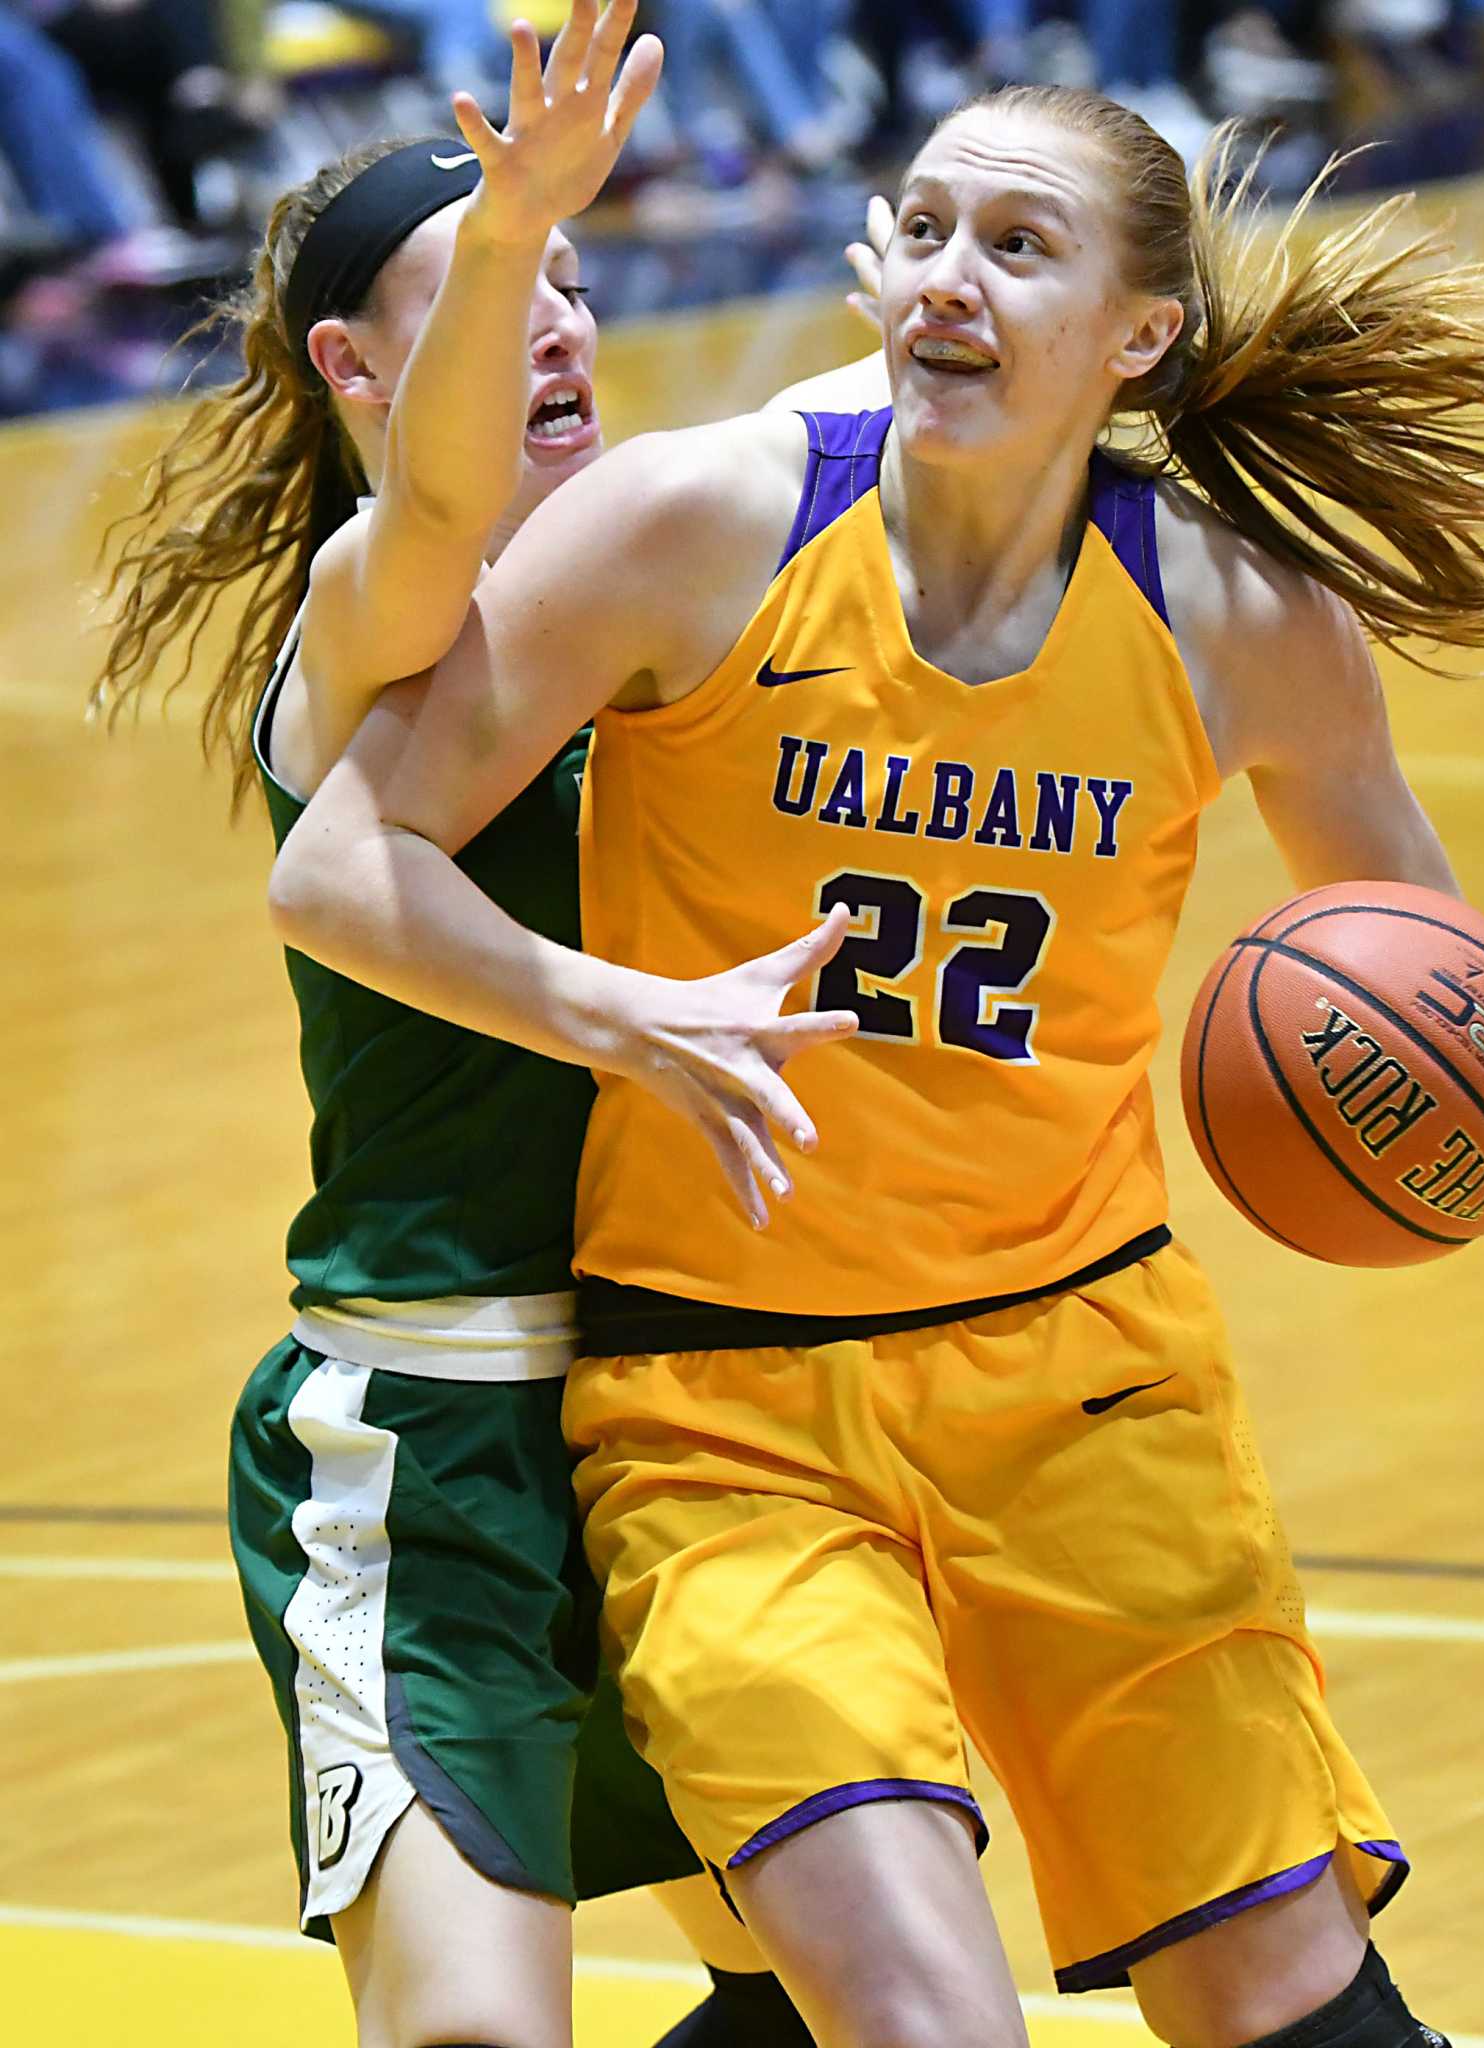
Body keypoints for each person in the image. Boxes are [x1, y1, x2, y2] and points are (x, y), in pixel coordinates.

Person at [268, 91, 1484, 2048]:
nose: (952, 277)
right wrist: (625, 1009)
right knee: (915, 2017)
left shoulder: (1242, 612)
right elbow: (342, 859)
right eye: (924, 227)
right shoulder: (701, 518)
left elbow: (1416, 944)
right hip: (729, 1406)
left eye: (1018, 243)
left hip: (1089, 1383)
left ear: (1135, 334)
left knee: (1278, 1997)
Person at [91, 5, 848, 2043]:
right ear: (356, 368)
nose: (561, 326)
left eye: (582, 284)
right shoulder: (366, 616)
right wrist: (519, 211)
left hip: (675, 1424)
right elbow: (432, 519)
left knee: (836, 1992)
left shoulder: (664, 607)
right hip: (424, 1443)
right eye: (500, 291)